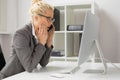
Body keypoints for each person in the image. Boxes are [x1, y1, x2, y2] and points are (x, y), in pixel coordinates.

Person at [0, 0, 55, 79]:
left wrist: (49, 41)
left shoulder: (40, 34)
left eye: (52, 19)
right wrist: (41, 43)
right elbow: (29, 66)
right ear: (36, 17)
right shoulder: (20, 34)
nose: (50, 23)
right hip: (10, 77)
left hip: (25, 76)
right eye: (48, 19)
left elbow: (43, 63)